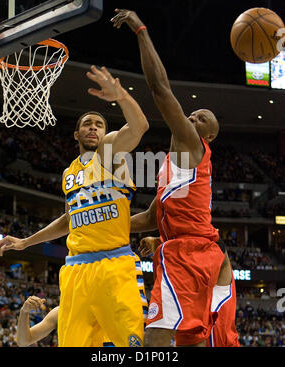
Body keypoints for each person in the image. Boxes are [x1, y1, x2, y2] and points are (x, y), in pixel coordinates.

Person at [0, 65, 149, 347]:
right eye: (87, 124)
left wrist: (121, 97)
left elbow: (139, 127)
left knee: (132, 345)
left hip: (113, 265)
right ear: (76, 135)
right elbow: (68, 220)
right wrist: (24, 243)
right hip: (76, 270)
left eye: (99, 124)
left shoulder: (110, 153)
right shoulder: (69, 174)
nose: (93, 127)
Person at [111, 9, 239, 347]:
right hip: (198, 252)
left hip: (190, 252)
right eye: (193, 115)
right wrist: (109, 224)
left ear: (207, 137)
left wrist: (140, 30)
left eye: (201, 119)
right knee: (187, 340)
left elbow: (158, 87)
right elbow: (153, 217)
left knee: (154, 336)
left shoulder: (192, 144)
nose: (192, 117)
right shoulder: (172, 166)